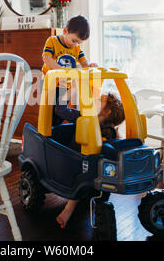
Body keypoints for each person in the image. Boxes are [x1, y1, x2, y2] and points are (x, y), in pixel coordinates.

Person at [54, 92, 125, 229]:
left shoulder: (110, 132)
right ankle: (69, 209)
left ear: (107, 111)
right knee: (82, 173)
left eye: (99, 100)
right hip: (76, 161)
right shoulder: (83, 115)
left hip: (98, 170)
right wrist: (71, 90)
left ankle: (99, 202)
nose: (94, 99)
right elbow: (60, 110)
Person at [42, 15, 98, 116]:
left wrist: (91, 66)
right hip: (50, 84)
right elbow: (46, 58)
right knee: (52, 115)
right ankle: (84, 116)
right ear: (65, 31)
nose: (75, 45)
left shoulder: (77, 48)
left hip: (65, 85)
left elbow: (84, 64)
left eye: (79, 42)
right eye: (74, 40)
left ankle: (86, 117)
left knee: (60, 111)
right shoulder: (52, 41)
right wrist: (62, 70)